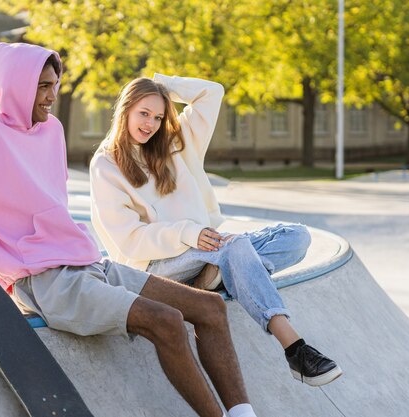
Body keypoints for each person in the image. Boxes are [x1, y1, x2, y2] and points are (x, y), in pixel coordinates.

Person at [0, 42, 260, 417]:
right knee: (167, 321)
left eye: (54, 86)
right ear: (15, 86)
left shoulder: (51, 131)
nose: (50, 96)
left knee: (209, 309)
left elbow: (52, 208)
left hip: (88, 264)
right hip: (45, 281)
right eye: (42, 86)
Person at [89, 75, 343, 387]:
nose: (151, 124)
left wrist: (159, 85)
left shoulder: (176, 142)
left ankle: (215, 275)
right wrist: (187, 233)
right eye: (144, 113)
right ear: (125, 109)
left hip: (206, 249)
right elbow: (129, 241)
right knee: (234, 249)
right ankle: (295, 348)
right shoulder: (106, 164)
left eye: (158, 116)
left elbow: (212, 92)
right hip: (156, 267)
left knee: (296, 237)